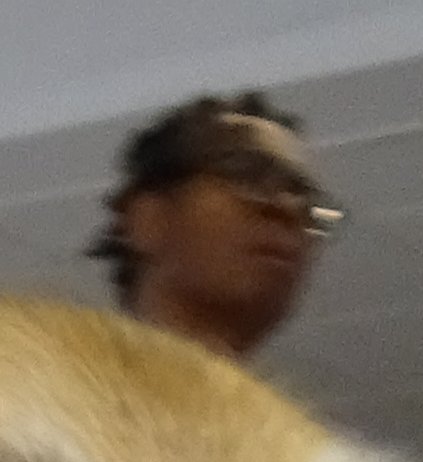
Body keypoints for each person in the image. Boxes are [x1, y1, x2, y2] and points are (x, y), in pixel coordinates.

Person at [92, 94, 342, 363]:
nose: (288, 207)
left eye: (305, 200)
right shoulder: (65, 382)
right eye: (247, 175)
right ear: (148, 219)